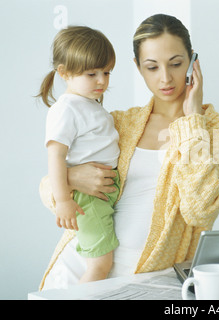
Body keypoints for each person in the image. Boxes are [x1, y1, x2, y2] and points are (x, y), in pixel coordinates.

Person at [38, 14, 219, 291]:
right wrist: (72, 178)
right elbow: (47, 188)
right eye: (152, 67)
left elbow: (200, 211)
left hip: (148, 280)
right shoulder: (120, 122)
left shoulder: (218, 128)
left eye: (176, 64)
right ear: (138, 67)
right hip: (83, 267)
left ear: (193, 61)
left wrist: (192, 120)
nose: (165, 78)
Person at [38, 26, 120, 284]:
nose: (102, 81)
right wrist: (62, 200)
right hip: (89, 199)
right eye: (91, 74)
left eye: (106, 72)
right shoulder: (66, 109)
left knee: (102, 262)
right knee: (100, 265)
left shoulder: (88, 103)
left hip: (102, 193)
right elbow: (56, 157)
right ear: (64, 73)